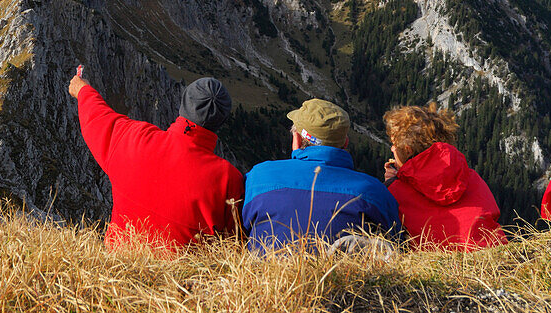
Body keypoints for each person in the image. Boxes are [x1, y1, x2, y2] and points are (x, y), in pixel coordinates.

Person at [68, 66, 244, 252]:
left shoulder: (134, 138)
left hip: (116, 269)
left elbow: (99, 118)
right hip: (183, 280)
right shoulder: (228, 178)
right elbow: (233, 246)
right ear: (221, 122)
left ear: (182, 104)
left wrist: (83, 91)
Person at [242, 99, 400, 254]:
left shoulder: (258, 176)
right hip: (345, 279)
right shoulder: (372, 190)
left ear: (296, 139)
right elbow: (396, 244)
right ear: (345, 144)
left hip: (267, 277)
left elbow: (239, 232)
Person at [383, 103, 507, 251]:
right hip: (493, 257)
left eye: (394, 144)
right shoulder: (468, 176)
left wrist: (390, 185)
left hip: (436, 267)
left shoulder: (395, 191)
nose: (392, 149)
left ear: (407, 150)